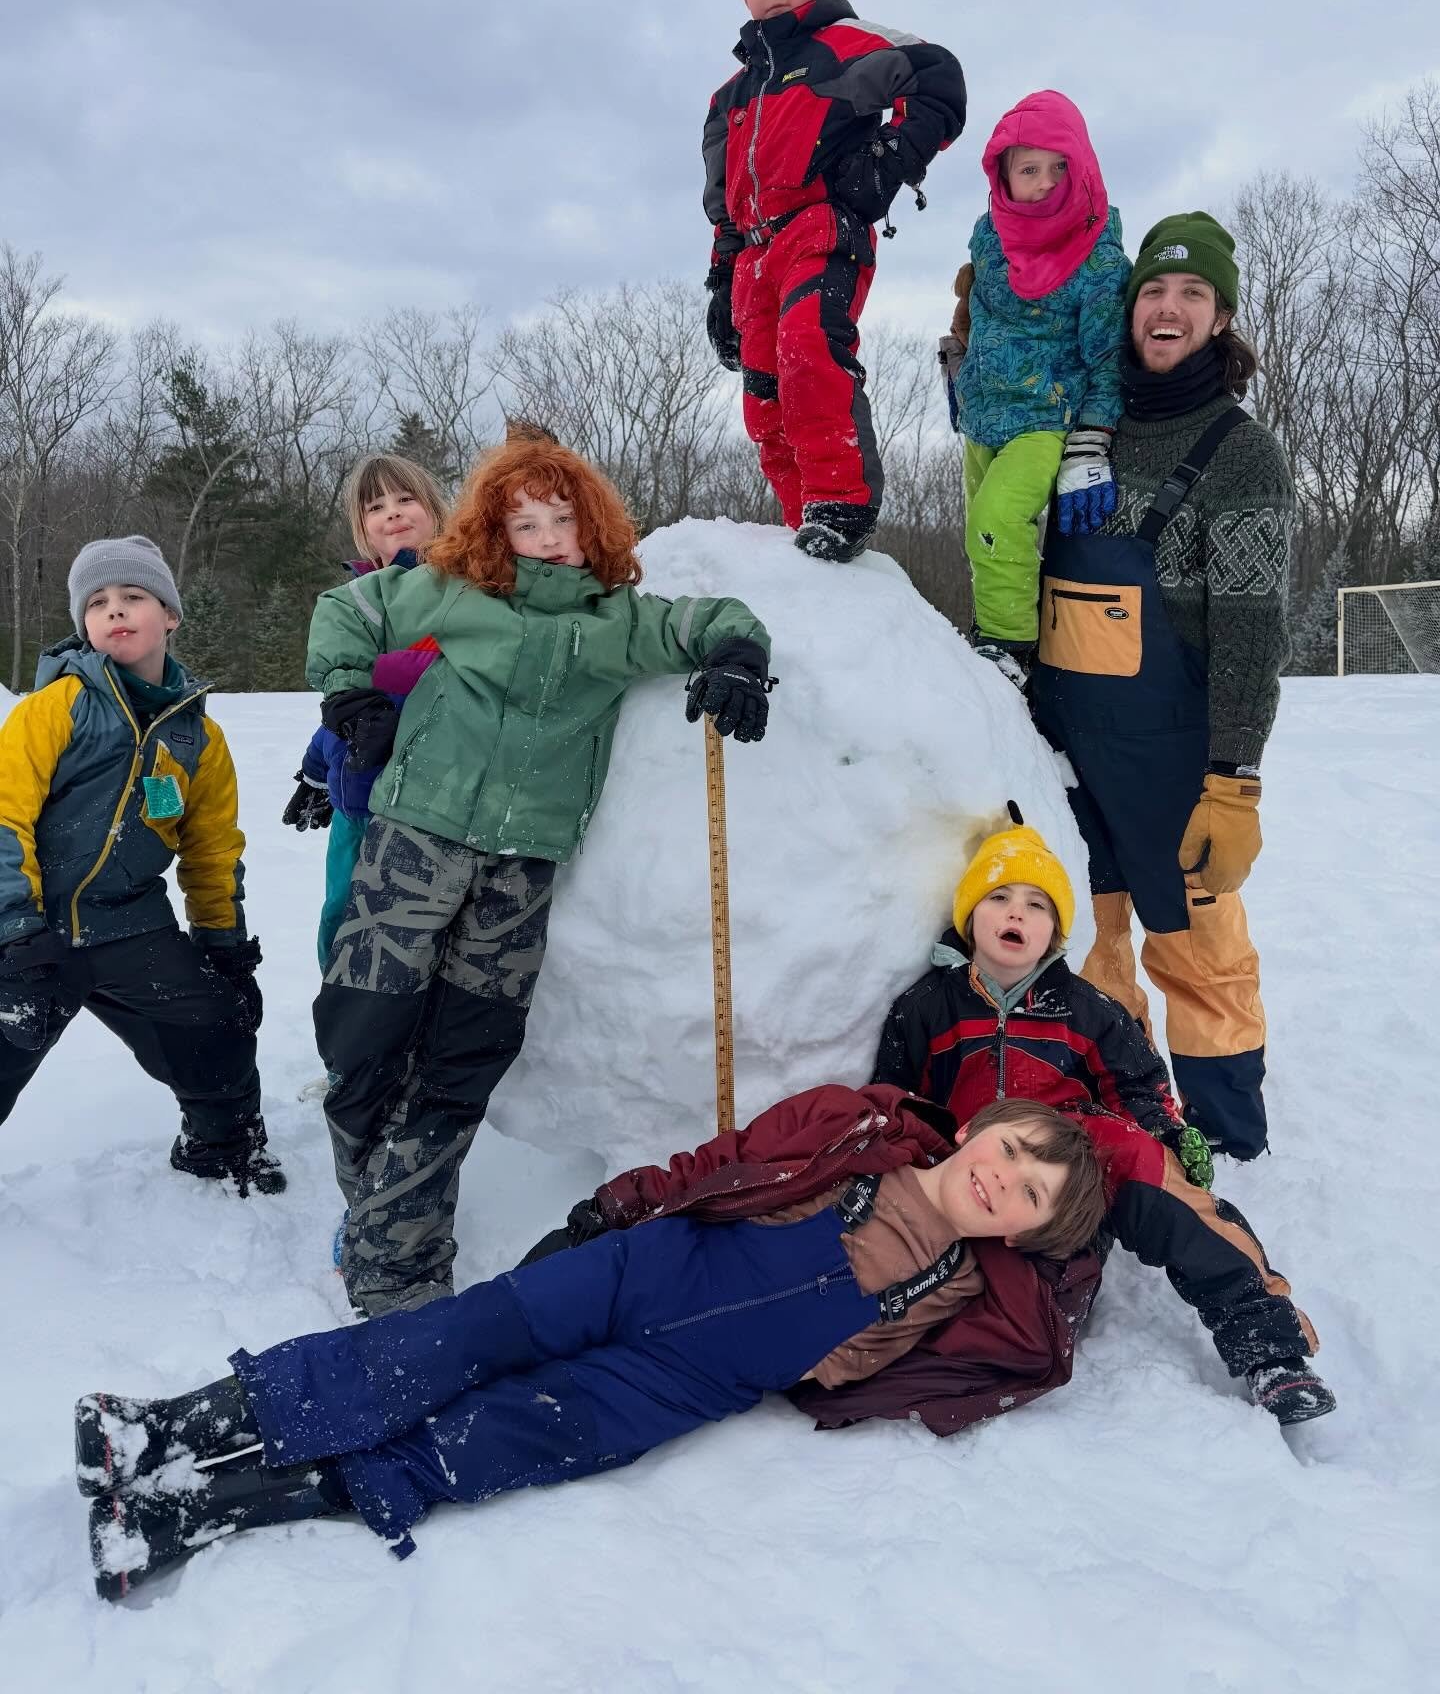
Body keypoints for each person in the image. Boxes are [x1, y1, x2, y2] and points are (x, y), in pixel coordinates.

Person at [76, 1093, 1105, 1600]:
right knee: (444, 1342)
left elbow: (1011, 1349)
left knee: (473, 1446)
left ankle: (187, 1513)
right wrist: (615, 1206)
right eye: (1009, 1151)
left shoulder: (964, 1286)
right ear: (982, 1128)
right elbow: (729, 1158)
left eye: (1028, 1195)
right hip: (650, 1266)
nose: (1001, 1178)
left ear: (1023, 1232)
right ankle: (162, 1428)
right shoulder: (858, 1127)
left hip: (682, 1384)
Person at [306, 428, 776, 1318]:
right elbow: (349, 615)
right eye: (525, 523)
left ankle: (398, 1268)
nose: (548, 536)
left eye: (562, 517)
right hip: (416, 838)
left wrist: (737, 662)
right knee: (363, 1033)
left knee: (464, 1054)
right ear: (495, 533)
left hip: (522, 869)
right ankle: (382, 1219)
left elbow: (714, 619)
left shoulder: (617, 623)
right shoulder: (455, 593)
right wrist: (347, 694)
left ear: (591, 524)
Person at [874, 814, 1334, 1424]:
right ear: (968, 915)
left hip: (1073, 1147)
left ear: (1057, 930)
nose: (1017, 914)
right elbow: (895, 1097)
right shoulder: (927, 1008)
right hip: (978, 1160)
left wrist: (1167, 1135)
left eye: (1037, 905)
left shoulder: (1088, 1008)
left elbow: (1138, 1084)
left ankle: (1269, 1348)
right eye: (1000, 897)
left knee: (1152, 1178)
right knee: (998, 1279)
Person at [1027, 214, 1292, 1160]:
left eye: (1192, 294)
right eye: (1153, 290)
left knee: (1200, 956)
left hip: (1179, 757)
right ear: (1130, 309)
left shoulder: (1240, 453)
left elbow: (1252, 634)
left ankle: (1228, 1137)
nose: (1168, 307)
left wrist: (1234, 776)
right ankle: (1122, 1124)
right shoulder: (1078, 430)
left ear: (1220, 318)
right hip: (1066, 744)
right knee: (1094, 951)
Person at [0, 536, 282, 1192]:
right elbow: (4, 815)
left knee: (218, 1027)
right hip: (31, 931)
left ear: (171, 616)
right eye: (97, 603)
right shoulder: (56, 708)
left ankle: (221, 1147)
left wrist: (226, 949)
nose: (114, 610)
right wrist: (15, 935)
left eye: (133, 596)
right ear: (84, 627)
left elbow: (212, 851)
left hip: (130, 927)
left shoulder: (196, 738)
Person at [703, 0, 966, 563]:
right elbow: (724, 204)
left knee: (807, 351)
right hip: (754, 257)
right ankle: (800, 524)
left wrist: (886, 160)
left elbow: (939, 78)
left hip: (822, 226)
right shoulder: (730, 97)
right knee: (762, 391)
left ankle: (837, 505)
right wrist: (718, 280)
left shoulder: (846, 43)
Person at [938, 90, 1130, 687]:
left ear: (1083, 169)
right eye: (1029, 169)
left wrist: (1092, 438)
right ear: (1003, 176)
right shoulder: (988, 235)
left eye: (1059, 167)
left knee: (998, 517)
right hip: (982, 414)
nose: (1044, 182)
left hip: (1047, 416)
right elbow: (981, 310)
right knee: (981, 537)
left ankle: (1009, 652)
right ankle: (990, 630)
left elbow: (1109, 358)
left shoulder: (1098, 256)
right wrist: (959, 358)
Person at [280, 453, 450, 968]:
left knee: (421, 925)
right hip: (359, 796)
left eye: (406, 498)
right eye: (376, 506)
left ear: (436, 510)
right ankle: (340, 1013)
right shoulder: (354, 602)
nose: (393, 513)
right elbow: (343, 705)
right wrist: (314, 773)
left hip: (434, 797)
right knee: (342, 913)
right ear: (364, 530)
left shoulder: (461, 591)